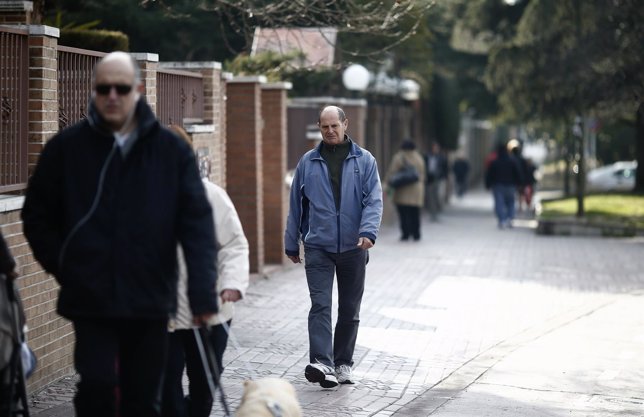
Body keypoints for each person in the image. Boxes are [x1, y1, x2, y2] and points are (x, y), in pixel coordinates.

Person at [21, 52, 218, 417]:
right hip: (91, 297)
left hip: (150, 298)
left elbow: (197, 225)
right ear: (93, 92)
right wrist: (66, 265)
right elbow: (36, 215)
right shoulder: (67, 148)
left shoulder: (169, 150)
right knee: (97, 385)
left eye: (122, 88)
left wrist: (202, 292)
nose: (112, 95)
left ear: (138, 91)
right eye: (103, 88)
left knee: (142, 399)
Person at [285, 105, 383, 387]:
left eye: (334, 126)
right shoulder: (308, 162)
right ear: (319, 127)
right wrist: (292, 242)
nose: (329, 131)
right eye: (324, 127)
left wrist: (368, 233)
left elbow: (374, 200)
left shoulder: (364, 161)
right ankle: (322, 363)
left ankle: (342, 364)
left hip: (355, 247)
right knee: (320, 305)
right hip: (318, 246)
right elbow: (296, 206)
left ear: (345, 124)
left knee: (350, 309)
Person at [162, 125, 250, 417]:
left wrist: (232, 283)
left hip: (211, 309)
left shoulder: (212, 196)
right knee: (166, 385)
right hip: (165, 315)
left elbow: (234, 245)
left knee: (205, 382)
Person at [386, 140, 425, 241]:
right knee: (415, 213)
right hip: (416, 190)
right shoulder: (418, 158)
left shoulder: (399, 157)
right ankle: (416, 234)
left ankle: (405, 234)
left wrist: (387, 183)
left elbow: (392, 172)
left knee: (403, 213)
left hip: (402, 190)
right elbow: (422, 173)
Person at [484, 142, 524, 229]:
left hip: (498, 186)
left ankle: (502, 220)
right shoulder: (512, 161)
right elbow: (517, 173)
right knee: (511, 202)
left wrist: (487, 185)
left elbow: (489, 174)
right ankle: (510, 219)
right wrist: (520, 183)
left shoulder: (494, 162)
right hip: (510, 185)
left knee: (499, 203)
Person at [425, 142, 448, 221]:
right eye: (434, 148)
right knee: (431, 197)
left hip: (438, 179)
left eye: (437, 148)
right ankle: (432, 213)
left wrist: (444, 176)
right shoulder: (428, 156)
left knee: (437, 196)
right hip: (430, 179)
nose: (435, 149)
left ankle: (436, 212)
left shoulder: (441, 158)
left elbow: (445, 168)